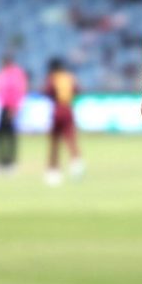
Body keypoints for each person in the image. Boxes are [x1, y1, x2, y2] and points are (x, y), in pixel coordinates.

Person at [43, 56, 83, 186]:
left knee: (54, 142)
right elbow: (77, 90)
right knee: (70, 138)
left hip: (57, 110)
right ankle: (76, 165)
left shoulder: (53, 78)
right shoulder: (69, 77)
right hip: (68, 109)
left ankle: (53, 171)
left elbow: (46, 91)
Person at [0, 53, 27, 173]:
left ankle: (8, 161)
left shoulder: (14, 74)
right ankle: (4, 160)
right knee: (3, 135)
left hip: (9, 108)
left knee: (7, 135)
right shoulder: (6, 73)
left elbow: (17, 91)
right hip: (5, 107)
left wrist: (13, 108)